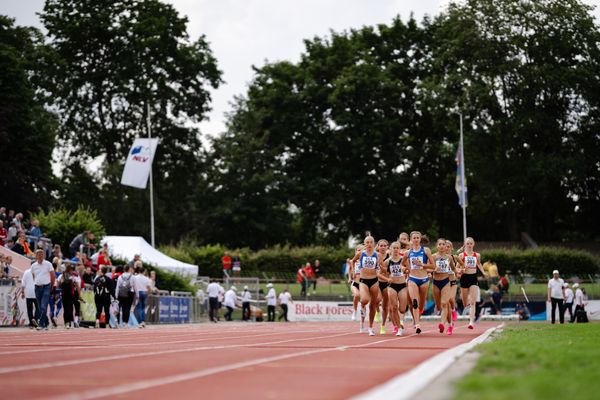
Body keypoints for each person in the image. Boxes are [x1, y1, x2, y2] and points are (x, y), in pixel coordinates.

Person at [402, 231, 435, 334]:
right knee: (414, 302)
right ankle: (417, 324)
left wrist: (423, 265)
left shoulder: (426, 250)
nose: (416, 239)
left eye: (417, 238)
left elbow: (433, 266)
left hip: (424, 279)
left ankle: (418, 316)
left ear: (420, 239)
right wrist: (405, 269)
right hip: (412, 279)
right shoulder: (408, 253)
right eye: (414, 238)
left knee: (421, 305)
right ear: (411, 240)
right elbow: (402, 264)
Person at [350, 233, 380, 336]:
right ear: (364, 244)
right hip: (363, 280)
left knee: (373, 305)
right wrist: (353, 271)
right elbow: (352, 261)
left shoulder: (377, 255)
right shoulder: (360, 254)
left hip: (374, 281)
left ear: (374, 244)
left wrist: (382, 269)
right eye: (367, 242)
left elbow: (382, 266)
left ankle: (370, 328)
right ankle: (361, 307)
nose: (369, 244)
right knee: (364, 300)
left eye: (371, 242)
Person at [458, 237, 488, 329]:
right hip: (464, 278)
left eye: (471, 243)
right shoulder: (461, 255)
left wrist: (483, 272)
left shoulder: (477, 255)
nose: (470, 245)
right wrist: (462, 270)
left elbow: (478, 264)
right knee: (464, 301)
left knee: (473, 301)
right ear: (465, 244)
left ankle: (471, 322)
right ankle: (466, 307)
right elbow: (457, 267)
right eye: (468, 244)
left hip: (473, 278)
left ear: (473, 244)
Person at [432, 238, 457, 334]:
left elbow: (454, 269)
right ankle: (449, 323)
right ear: (437, 246)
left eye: (443, 244)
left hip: (446, 282)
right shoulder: (433, 257)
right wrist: (434, 270)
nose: (442, 246)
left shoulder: (449, 257)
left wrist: (458, 272)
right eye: (440, 244)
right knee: (438, 307)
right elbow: (428, 269)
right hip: (436, 283)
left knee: (444, 303)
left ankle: (444, 324)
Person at [383, 241, 408, 336]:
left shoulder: (403, 260)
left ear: (400, 249)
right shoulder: (387, 262)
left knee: (402, 309)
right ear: (390, 249)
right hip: (391, 286)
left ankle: (400, 321)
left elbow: (409, 269)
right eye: (394, 248)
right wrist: (387, 279)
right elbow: (381, 274)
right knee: (394, 307)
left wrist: (405, 270)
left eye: (397, 248)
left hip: (402, 285)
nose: (396, 250)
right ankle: (399, 329)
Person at [31, 249, 55, 330]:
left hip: (46, 286)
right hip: (37, 287)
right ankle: (46, 322)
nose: (40, 256)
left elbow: (53, 275)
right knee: (40, 307)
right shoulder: (33, 266)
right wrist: (36, 283)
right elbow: (34, 276)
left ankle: (41, 324)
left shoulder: (48, 264)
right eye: (39, 254)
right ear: (36, 256)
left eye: (42, 254)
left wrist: (51, 286)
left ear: (44, 255)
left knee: (43, 306)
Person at [376, 239, 390, 334]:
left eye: (385, 245)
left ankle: (383, 325)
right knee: (377, 299)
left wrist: (381, 266)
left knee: (385, 306)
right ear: (378, 246)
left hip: (387, 282)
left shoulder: (390, 257)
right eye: (381, 245)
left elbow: (387, 271)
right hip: (377, 282)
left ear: (387, 247)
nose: (383, 247)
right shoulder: (374, 255)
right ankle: (377, 311)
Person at [57, 264, 76, 329]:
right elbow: (75, 285)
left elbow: (58, 284)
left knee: (65, 308)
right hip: (70, 294)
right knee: (70, 308)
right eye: (71, 270)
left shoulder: (61, 275)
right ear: (70, 270)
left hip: (64, 294)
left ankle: (66, 323)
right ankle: (70, 322)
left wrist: (58, 292)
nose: (72, 271)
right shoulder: (72, 277)